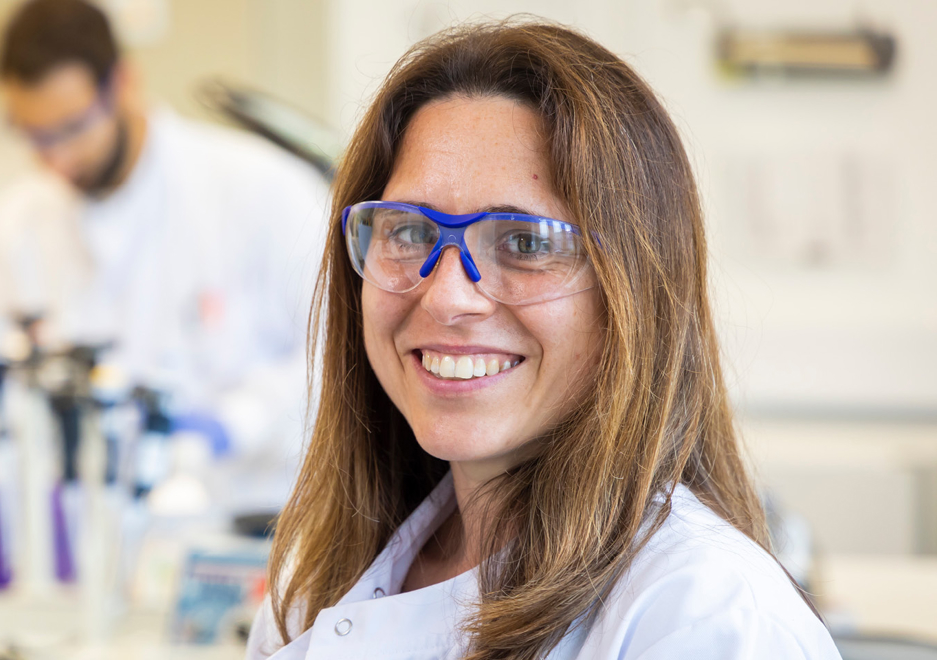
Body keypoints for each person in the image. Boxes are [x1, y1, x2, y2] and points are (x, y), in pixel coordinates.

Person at [246, 20, 841, 660]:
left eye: (525, 243)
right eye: (409, 232)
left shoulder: (705, 618)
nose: (446, 296)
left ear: (635, 294)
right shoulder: (316, 581)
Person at [0, 0, 328, 511]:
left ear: (122, 85)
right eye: (33, 135)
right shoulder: (16, 226)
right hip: (104, 525)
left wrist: (234, 423)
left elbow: (334, 356)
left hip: (262, 515)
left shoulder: (260, 191)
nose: (54, 158)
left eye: (71, 129)